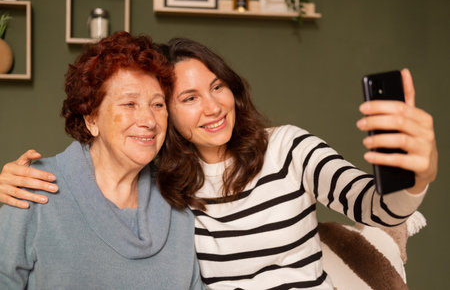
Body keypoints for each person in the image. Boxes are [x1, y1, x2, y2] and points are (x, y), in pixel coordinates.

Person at [0, 37, 438, 289]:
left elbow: (379, 209)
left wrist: (416, 172)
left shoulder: (287, 148)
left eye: (217, 87)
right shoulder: (172, 184)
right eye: (188, 99)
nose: (212, 107)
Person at [0, 32, 203, 289]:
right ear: (91, 119)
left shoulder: (177, 202)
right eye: (129, 104)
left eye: (157, 105)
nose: (149, 121)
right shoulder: (33, 187)